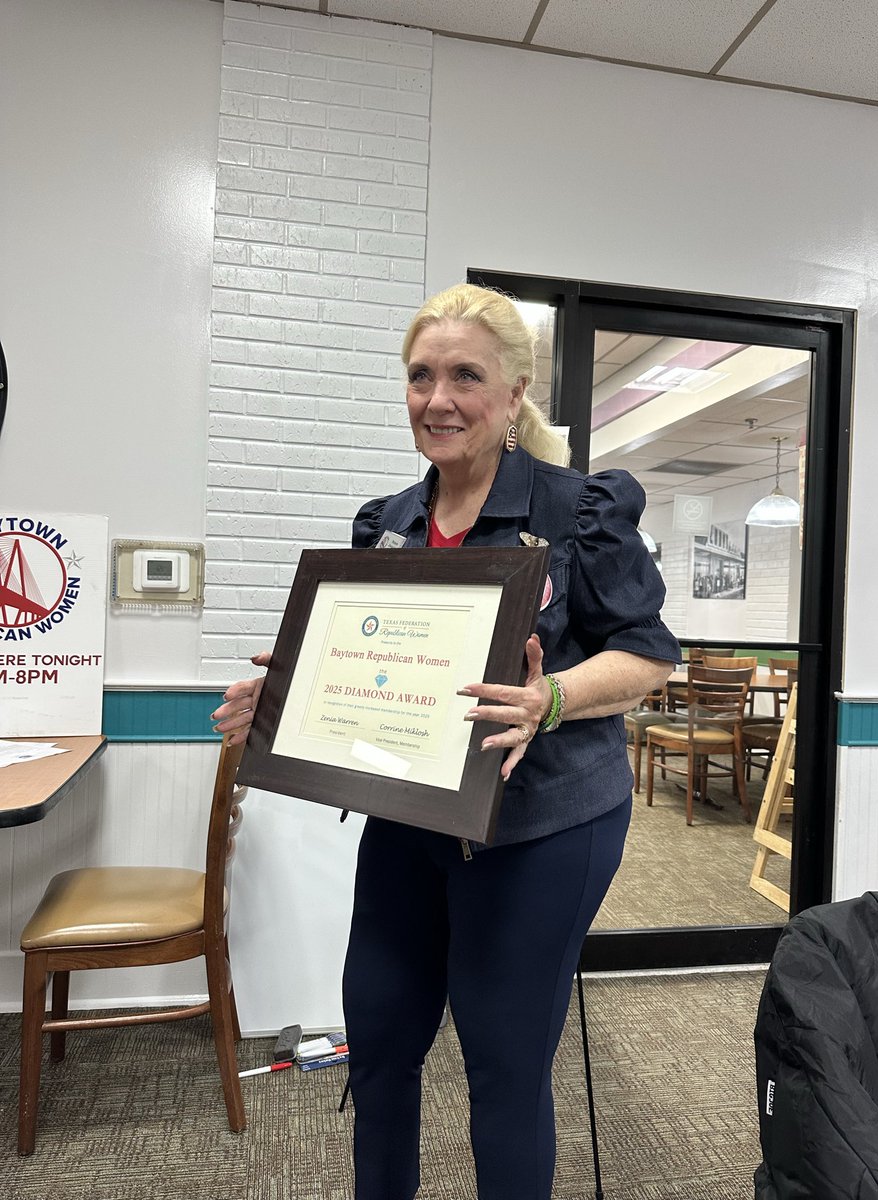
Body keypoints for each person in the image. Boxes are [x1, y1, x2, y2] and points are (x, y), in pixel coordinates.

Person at [212, 283, 681, 1200]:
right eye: (421, 376)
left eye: (466, 376)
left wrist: (549, 697)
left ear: (513, 396)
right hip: (412, 819)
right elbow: (370, 666)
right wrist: (287, 694)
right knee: (380, 1044)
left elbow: (650, 656)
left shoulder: (579, 510)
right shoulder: (386, 525)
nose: (439, 399)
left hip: (546, 827)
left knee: (504, 1073)